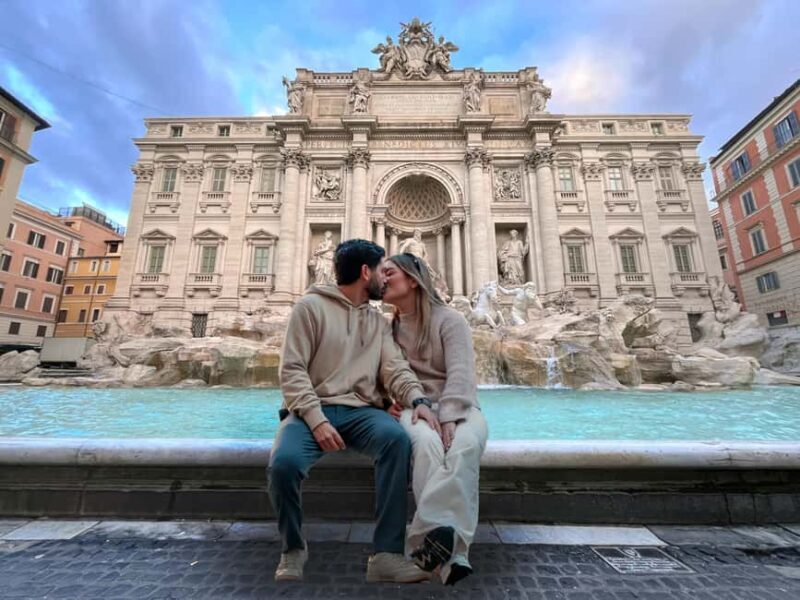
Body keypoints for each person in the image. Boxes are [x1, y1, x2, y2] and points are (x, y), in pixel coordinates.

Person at [269, 239, 436, 583]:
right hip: (309, 411)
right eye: (380, 271)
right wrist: (316, 421)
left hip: (361, 412)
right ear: (365, 272)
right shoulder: (310, 308)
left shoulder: (376, 322)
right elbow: (292, 371)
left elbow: (396, 369)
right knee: (283, 465)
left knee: (395, 440)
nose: (385, 279)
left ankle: (386, 555)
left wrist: (417, 399)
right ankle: (293, 548)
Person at [382, 252, 489, 586]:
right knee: (426, 447)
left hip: (461, 407)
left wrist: (450, 417)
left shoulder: (450, 320)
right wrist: (386, 402)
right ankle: (454, 555)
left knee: (463, 447)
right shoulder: (388, 328)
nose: (380, 279)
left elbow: (461, 373)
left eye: (389, 272)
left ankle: (428, 548)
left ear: (412, 280)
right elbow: (383, 374)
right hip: (415, 407)